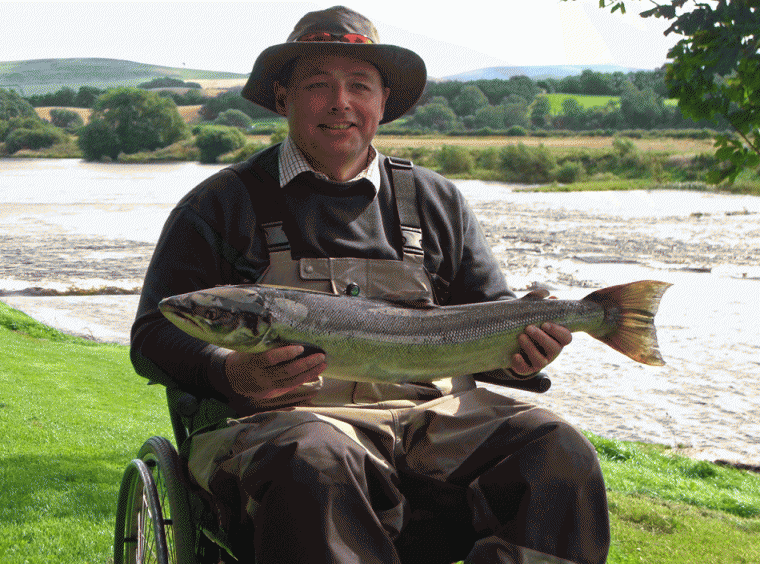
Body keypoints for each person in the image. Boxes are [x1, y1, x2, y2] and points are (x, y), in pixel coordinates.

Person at [131, 6, 610, 564]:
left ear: (383, 102)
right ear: (283, 98)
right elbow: (153, 335)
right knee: (315, 459)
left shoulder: (436, 200)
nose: (341, 103)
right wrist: (227, 370)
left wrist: (522, 358)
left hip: (437, 423)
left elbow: (489, 318)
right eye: (318, 85)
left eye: (359, 85)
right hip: (284, 426)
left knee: (558, 449)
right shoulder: (220, 203)